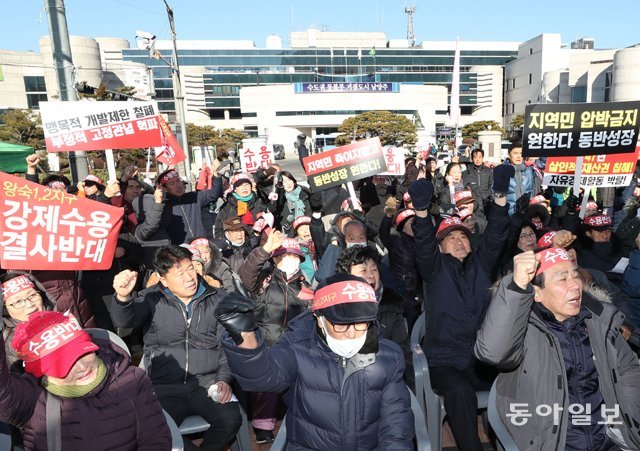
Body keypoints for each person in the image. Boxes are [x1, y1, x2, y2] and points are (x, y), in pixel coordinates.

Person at [215, 274, 415, 449]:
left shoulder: (388, 356)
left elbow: (396, 425)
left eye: (361, 323)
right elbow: (263, 377)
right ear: (320, 319)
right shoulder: (297, 348)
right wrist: (245, 335)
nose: (352, 333)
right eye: (341, 325)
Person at [475, 248, 640, 450]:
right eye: (562, 279)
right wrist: (516, 288)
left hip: (609, 440)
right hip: (553, 443)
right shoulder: (521, 329)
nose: (576, 285)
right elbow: (492, 352)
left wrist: (629, 417)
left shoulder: (598, 321)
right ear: (537, 293)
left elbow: (628, 370)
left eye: (576, 276)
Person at [408, 165, 513, 451]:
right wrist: (421, 212)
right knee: (459, 391)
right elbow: (424, 244)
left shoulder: (481, 264)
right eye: (451, 239)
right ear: (441, 247)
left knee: (519, 381)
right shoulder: (434, 269)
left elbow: (496, 237)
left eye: (463, 237)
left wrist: (501, 196)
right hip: (445, 360)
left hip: (482, 358)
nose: (458, 241)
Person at [111, 245, 242, 451]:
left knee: (231, 419)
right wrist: (123, 298)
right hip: (163, 386)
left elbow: (227, 344)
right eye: (179, 273)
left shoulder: (218, 299)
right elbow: (125, 320)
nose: (189, 277)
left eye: (190, 268)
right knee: (151, 430)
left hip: (207, 383)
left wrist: (223, 379)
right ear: (163, 279)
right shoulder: (151, 298)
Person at [0, 310, 171, 450]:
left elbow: (155, 439)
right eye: (65, 365)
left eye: (83, 353)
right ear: (43, 373)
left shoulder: (132, 379)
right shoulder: (31, 399)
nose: (82, 367)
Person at [155, 168, 223, 244]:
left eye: (178, 181)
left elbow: (213, 194)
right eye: (172, 183)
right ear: (165, 188)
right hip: (181, 248)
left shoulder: (194, 197)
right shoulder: (163, 205)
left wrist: (216, 177)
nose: (178, 185)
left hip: (201, 243)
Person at [215, 172, 266, 238]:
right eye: (240, 185)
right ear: (235, 189)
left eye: (246, 185)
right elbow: (219, 230)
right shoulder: (226, 207)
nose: (244, 188)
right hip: (237, 245)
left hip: (260, 243)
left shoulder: (259, 202)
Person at [503, 141, 542, 216]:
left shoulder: (529, 170)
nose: (519, 156)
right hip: (509, 216)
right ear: (509, 155)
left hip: (527, 214)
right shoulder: (501, 171)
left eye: (521, 153)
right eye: (515, 153)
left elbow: (534, 190)